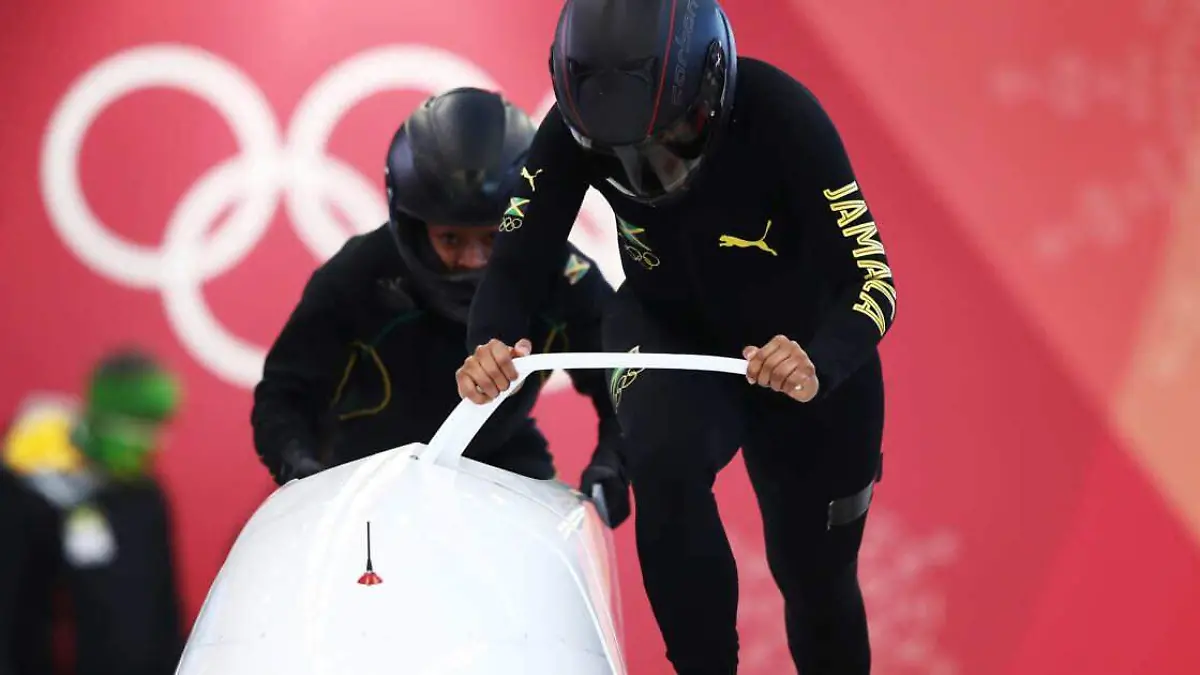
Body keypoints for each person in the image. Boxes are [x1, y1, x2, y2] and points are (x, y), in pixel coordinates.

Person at [456, 1, 897, 672]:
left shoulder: (784, 115)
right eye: (621, 157)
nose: (651, 170)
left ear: (711, 88)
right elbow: (518, 261)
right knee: (663, 460)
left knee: (816, 577)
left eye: (672, 139)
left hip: (805, 357)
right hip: (671, 330)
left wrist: (820, 358)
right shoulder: (569, 135)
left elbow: (873, 278)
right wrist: (489, 340)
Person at [251, 86, 630, 527]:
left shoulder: (565, 277)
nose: (473, 262)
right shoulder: (358, 275)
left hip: (502, 468)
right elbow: (285, 394)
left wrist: (613, 466)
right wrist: (303, 473)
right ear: (414, 227)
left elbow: (624, 383)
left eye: (493, 237)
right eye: (451, 238)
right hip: (364, 476)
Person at [0, 348, 186, 675]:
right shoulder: (32, 488)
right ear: (102, 415)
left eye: (156, 427)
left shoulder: (147, 495)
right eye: (137, 424)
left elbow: (163, 609)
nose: (152, 441)